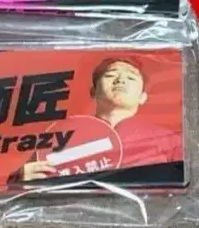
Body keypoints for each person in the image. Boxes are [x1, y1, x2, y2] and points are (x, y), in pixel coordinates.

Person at [16, 56, 182, 181]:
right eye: (110, 75)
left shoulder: (169, 140)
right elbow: (30, 180)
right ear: (93, 92)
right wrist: (20, 178)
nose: (120, 80)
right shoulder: (61, 135)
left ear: (142, 97)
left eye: (131, 77)